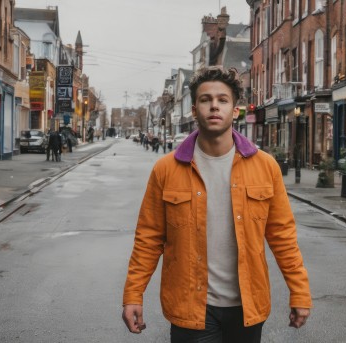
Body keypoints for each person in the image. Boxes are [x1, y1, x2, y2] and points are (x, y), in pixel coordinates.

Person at [122, 66, 312, 342]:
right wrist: (133, 295)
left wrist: (300, 292)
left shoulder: (265, 166)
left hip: (247, 307)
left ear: (235, 110)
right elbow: (148, 238)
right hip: (190, 307)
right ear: (194, 109)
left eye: (223, 100)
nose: (214, 106)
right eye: (205, 99)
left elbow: (283, 236)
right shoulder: (166, 169)